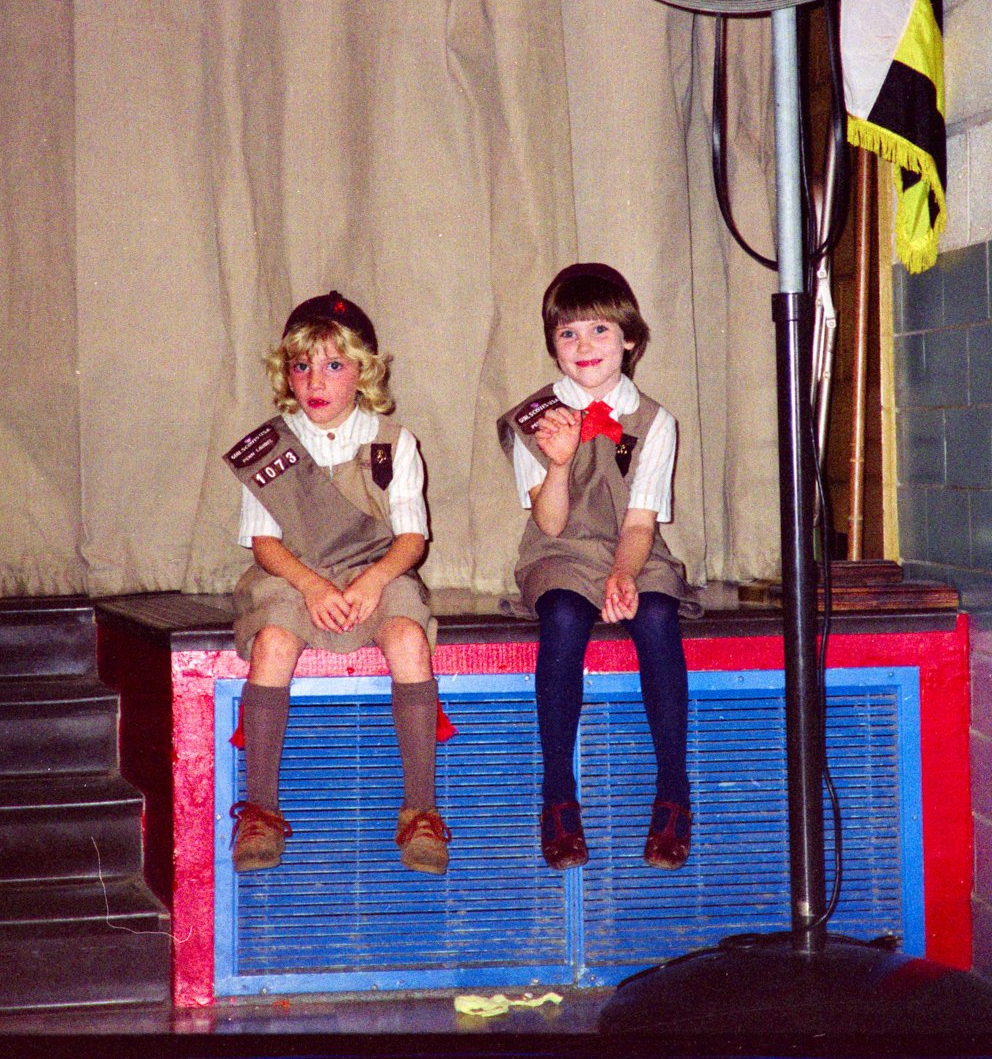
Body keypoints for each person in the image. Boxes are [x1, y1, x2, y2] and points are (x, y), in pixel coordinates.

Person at [222, 291, 450, 875]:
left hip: (377, 568)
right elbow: (265, 545)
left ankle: (421, 809)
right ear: (286, 373)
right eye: (301, 366)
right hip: (294, 573)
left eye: (333, 365)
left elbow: (412, 540)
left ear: (364, 372)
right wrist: (313, 588)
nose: (315, 381)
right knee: (273, 643)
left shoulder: (393, 442)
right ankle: (261, 809)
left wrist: (373, 583)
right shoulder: (271, 445)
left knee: (408, 638)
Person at [497, 263, 699, 872]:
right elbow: (551, 524)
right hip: (560, 552)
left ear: (629, 338)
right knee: (562, 615)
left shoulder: (656, 420)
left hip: (634, 549)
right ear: (553, 345)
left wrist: (625, 575)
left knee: (657, 617)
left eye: (599, 330)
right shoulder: (532, 417)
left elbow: (640, 525)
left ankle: (673, 790)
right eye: (568, 333)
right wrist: (558, 463)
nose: (584, 345)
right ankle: (558, 794)